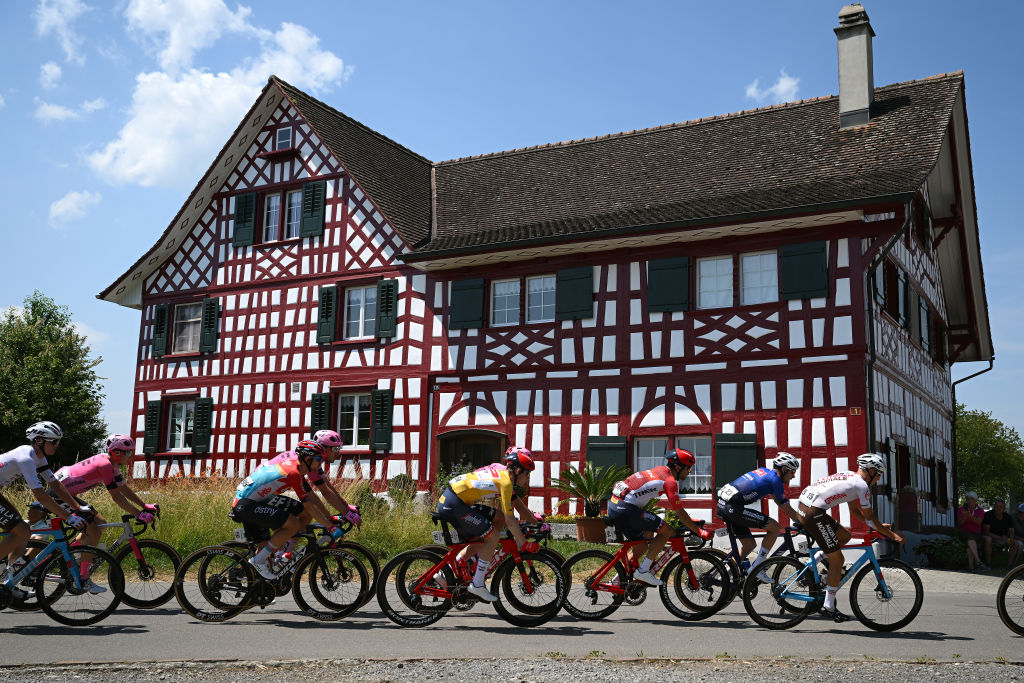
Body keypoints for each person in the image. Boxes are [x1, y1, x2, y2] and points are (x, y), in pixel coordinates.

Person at [796, 453, 905, 622]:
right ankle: (828, 606)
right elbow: (869, 516)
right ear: (870, 471)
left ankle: (812, 566)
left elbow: (855, 512)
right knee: (838, 560)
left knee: (844, 536)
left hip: (807, 507)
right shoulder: (862, 486)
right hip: (813, 513)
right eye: (878, 474)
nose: (879, 479)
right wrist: (892, 535)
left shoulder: (852, 479)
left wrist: (877, 526)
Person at [50, 434, 160, 592]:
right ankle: (83, 578)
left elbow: (123, 488)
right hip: (58, 495)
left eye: (131, 452)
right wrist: (138, 514)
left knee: (100, 523)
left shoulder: (111, 463)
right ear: (116, 452)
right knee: (93, 532)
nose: (131, 456)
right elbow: (117, 497)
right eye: (128, 453)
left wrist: (144, 505)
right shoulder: (106, 465)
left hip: (65, 492)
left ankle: (74, 552)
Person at [0, 422, 93, 599]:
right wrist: (68, 518)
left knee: (20, 531)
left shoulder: (38, 457)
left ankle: (8, 581)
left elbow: (55, 485)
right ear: (40, 441)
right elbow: (41, 495)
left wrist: (77, 507)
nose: (58, 445)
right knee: (22, 530)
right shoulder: (26, 458)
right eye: (54, 441)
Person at [435, 446, 540, 602]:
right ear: (517, 471)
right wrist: (524, 544)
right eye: (527, 474)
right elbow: (511, 520)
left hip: (455, 500)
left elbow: (506, 515)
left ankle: (450, 570)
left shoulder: (502, 474)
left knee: (496, 522)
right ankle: (477, 584)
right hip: (454, 504)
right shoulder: (506, 483)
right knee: (493, 537)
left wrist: (532, 521)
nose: (528, 479)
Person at [231, 440, 341, 580]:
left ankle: (277, 560)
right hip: (246, 504)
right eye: (319, 459)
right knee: (293, 524)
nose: (321, 463)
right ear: (307, 459)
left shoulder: (297, 468)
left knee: (298, 519)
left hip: (257, 500)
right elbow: (308, 503)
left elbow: (308, 504)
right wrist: (330, 527)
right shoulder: (293, 472)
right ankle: (258, 562)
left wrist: (329, 519)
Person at [607, 448, 714, 587]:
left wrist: (689, 522)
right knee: (667, 531)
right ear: (677, 467)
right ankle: (644, 571)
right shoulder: (670, 481)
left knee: (642, 545)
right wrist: (699, 531)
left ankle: (617, 581)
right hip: (626, 509)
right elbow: (679, 511)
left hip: (615, 506)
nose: (690, 472)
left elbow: (674, 508)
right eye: (688, 469)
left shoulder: (660, 470)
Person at [264, 430, 362, 544]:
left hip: (267, 493)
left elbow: (326, 485)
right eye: (335, 449)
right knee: (301, 518)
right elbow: (319, 493)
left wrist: (346, 506)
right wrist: (339, 515)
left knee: (303, 519)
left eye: (339, 449)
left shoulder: (313, 459)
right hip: (260, 495)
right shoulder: (305, 461)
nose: (338, 453)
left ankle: (283, 556)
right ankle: (282, 557)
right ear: (324, 448)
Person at [716, 452, 804, 578]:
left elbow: (779, 502)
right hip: (732, 508)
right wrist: (801, 522)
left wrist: (797, 518)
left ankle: (723, 578)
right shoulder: (775, 480)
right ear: (784, 469)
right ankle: (758, 568)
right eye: (793, 472)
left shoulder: (765, 472)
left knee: (749, 545)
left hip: (725, 505)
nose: (793, 477)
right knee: (775, 528)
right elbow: (784, 505)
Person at [982, 499, 1019, 571]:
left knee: (1015, 543)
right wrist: (1000, 537)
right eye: (996, 506)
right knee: (988, 540)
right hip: (990, 536)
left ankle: (1009, 565)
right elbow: (986, 532)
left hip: (1003, 538)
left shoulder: (1008, 517)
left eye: (1000, 506)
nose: (998, 508)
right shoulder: (988, 515)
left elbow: (1011, 530)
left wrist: (1011, 538)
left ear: (1004, 508)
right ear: (994, 507)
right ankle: (988, 564)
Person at [957, 491, 988, 571]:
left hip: (976, 533)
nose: (969, 501)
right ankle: (978, 562)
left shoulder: (980, 510)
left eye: (971, 499)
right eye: (967, 499)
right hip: (963, 532)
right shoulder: (961, 509)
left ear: (976, 500)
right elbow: (960, 524)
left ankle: (971, 567)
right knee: (970, 538)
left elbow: (979, 523)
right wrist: (965, 516)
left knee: (970, 542)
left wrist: (969, 516)